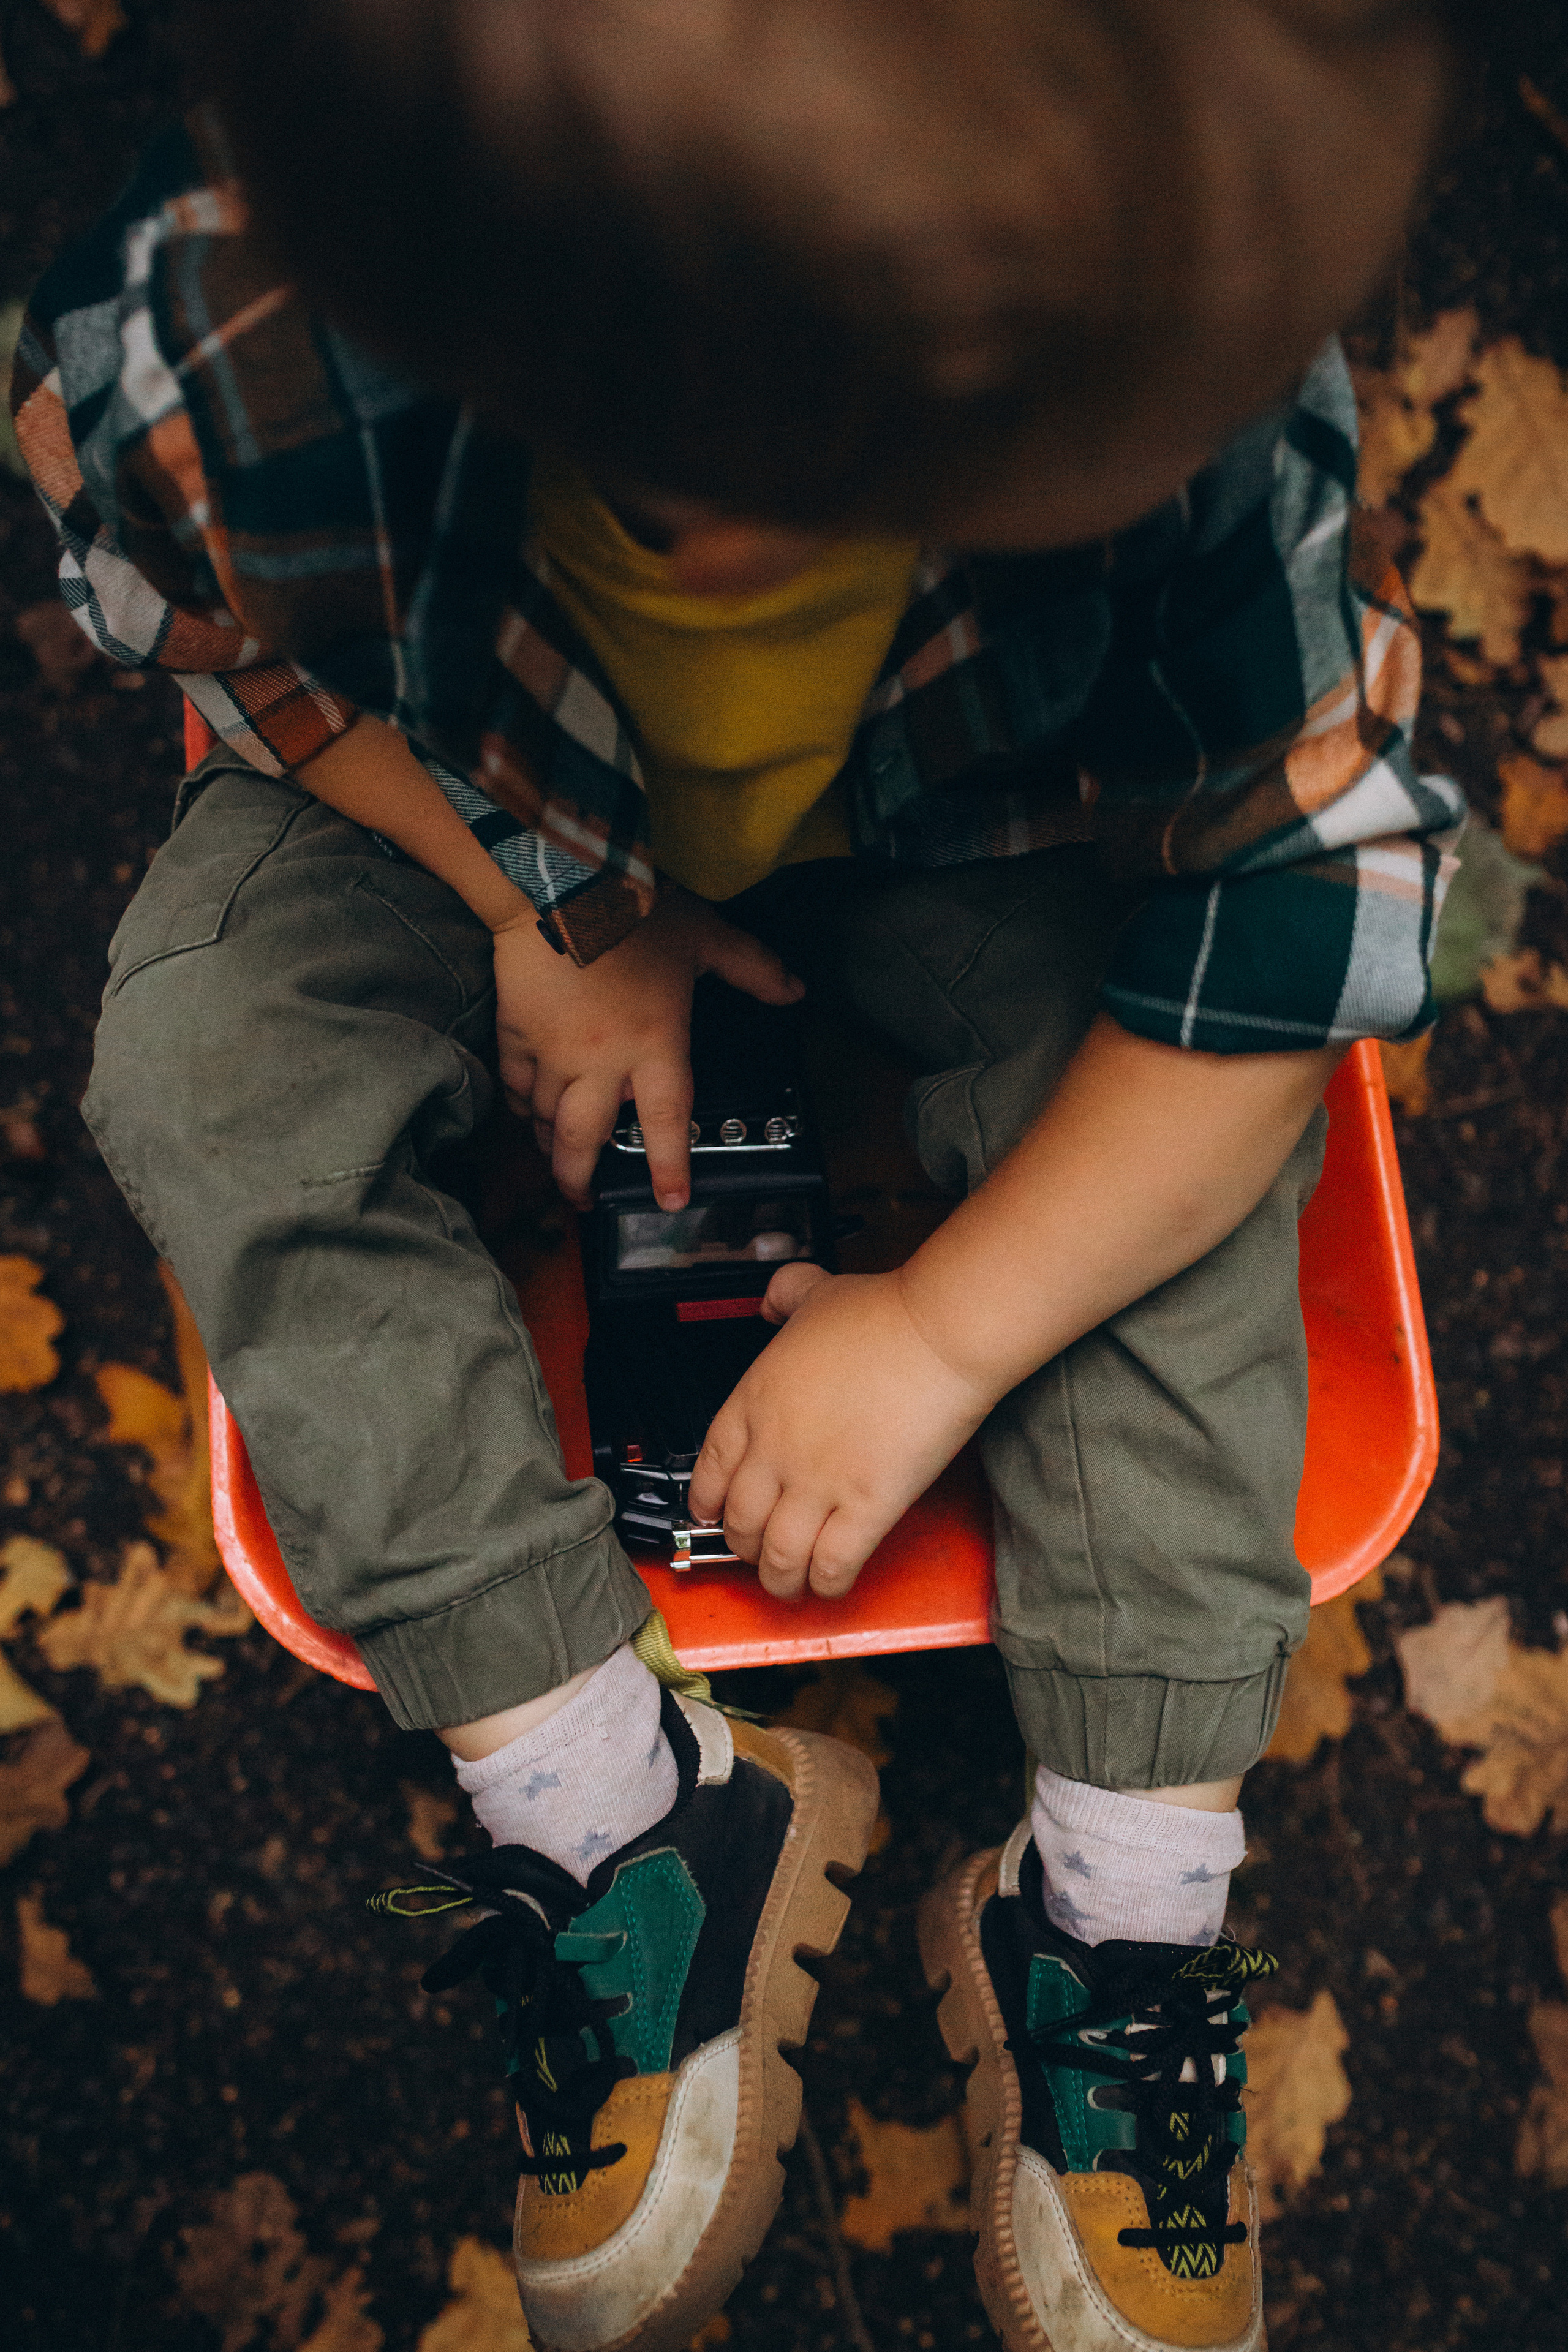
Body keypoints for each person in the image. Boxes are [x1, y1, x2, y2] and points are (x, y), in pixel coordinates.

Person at [13, 4, 1477, 2348]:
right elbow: (201, 600)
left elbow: (1286, 967)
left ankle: (1116, 1902)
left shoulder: (1172, 400)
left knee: (1179, 1143)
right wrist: (539, 906)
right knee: (208, 1051)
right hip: (453, 817)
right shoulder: (268, 336)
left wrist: (944, 1329)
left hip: (967, 843)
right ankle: (616, 1808)